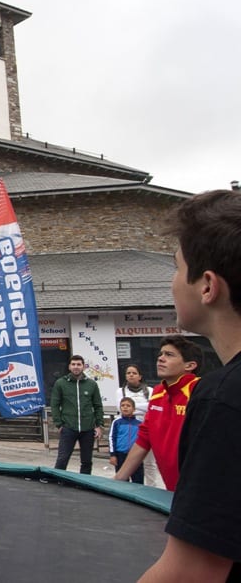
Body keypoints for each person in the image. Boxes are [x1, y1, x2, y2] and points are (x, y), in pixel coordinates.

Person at [138, 189, 241, 580]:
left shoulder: (223, 397)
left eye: (177, 267)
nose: (172, 282)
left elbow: (191, 572)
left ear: (208, 286)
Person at [113, 335, 202, 491]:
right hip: (173, 491)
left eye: (169, 355)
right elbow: (144, 439)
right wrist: (118, 479)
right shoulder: (158, 392)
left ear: (190, 365)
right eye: (160, 354)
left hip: (200, 491)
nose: (160, 359)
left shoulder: (200, 391)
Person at [50, 354, 103, 474]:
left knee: (87, 461)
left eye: (79, 364)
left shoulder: (91, 384)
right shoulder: (61, 383)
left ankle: (84, 485)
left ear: (83, 366)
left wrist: (99, 425)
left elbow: (98, 406)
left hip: (88, 429)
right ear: (69, 366)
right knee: (62, 459)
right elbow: (54, 405)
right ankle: (58, 481)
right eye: (73, 364)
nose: (76, 367)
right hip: (68, 428)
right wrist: (59, 424)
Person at [119, 362, 163, 488]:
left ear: (140, 376)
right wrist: (141, 407)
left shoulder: (150, 390)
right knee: (130, 461)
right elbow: (120, 408)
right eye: (128, 373)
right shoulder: (120, 391)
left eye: (134, 373)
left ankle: (152, 487)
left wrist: (131, 405)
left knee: (150, 463)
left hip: (147, 428)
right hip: (128, 430)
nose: (131, 375)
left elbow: (152, 407)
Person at [108, 397, 144, 484]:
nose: (125, 407)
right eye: (122, 405)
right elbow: (111, 438)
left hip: (135, 455)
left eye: (128, 406)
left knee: (138, 480)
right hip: (120, 455)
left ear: (134, 409)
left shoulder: (139, 423)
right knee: (122, 481)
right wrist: (113, 455)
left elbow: (142, 439)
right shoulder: (117, 422)